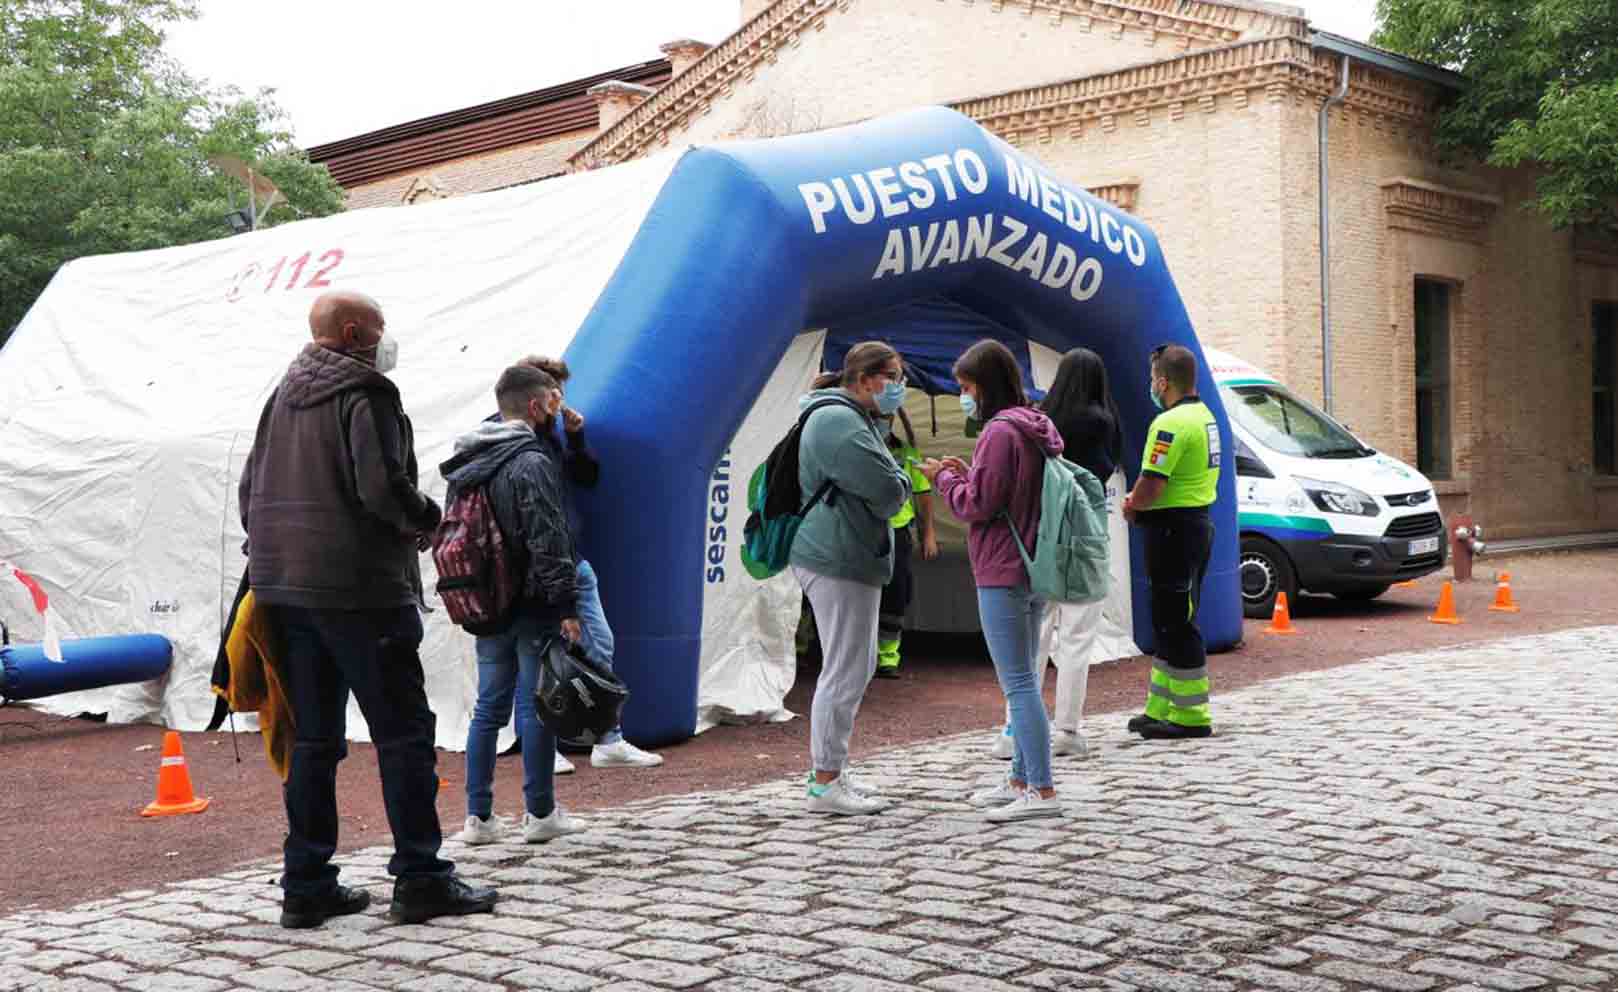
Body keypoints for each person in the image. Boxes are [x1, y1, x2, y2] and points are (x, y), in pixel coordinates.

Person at [239, 290, 496, 928]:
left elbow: (250, 490)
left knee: (314, 741)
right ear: (354, 332)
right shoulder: (367, 392)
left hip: (286, 591)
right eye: (380, 329)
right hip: (360, 590)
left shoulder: (282, 395)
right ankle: (421, 877)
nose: (386, 341)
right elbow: (380, 486)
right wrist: (428, 520)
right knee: (404, 736)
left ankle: (306, 885)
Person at [443, 364, 591, 847]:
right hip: (530, 602)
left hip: (483, 600)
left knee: (488, 707)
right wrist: (566, 605)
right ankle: (540, 812)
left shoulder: (466, 459)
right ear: (534, 405)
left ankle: (478, 817)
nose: (557, 406)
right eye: (552, 398)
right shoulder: (531, 461)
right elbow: (549, 539)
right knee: (536, 705)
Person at [922, 339, 1065, 822]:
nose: (964, 397)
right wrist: (969, 474)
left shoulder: (998, 433)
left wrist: (943, 480)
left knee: (1018, 684)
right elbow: (999, 489)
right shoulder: (1032, 426)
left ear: (984, 386)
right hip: (1033, 564)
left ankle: (1040, 790)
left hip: (1002, 567)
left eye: (966, 388)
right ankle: (1020, 778)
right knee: (1025, 678)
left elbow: (976, 505)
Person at [514, 356, 662, 769]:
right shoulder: (513, 436)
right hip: (537, 566)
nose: (560, 401)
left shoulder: (554, 433)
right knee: (540, 656)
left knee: (599, 644)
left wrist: (576, 437)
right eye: (554, 393)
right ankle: (544, 746)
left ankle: (607, 738)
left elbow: (586, 478)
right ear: (536, 396)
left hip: (572, 559)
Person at [791, 341, 914, 815]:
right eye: (894, 378)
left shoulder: (846, 417)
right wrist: (900, 480)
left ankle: (833, 770)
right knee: (845, 668)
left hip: (845, 551)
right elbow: (887, 491)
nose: (899, 389)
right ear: (865, 380)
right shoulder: (838, 422)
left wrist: (894, 478)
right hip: (837, 553)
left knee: (854, 665)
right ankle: (825, 781)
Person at [990, 347, 1121, 760]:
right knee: (1078, 638)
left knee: (1033, 636)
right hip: (1086, 537)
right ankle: (1066, 728)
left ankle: (1016, 726)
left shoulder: (1043, 421)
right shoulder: (1106, 422)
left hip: (1044, 536)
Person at [1122, 343, 1220, 740]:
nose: (1151, 385)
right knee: (1168, 617)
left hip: (1171, 529)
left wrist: (1131, 503)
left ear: (1163, 381)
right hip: (1193, 525)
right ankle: (1160, 706)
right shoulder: (1205, 416)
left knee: (1176, 620)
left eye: (1152, 378)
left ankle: (1192, 716)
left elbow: (1153, 482)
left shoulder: (1170, 424)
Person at [875, 405, 938, 678]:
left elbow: (923, 496)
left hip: (898, 532)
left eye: (886, 417)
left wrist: (929, 534)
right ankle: (862, 656)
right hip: (863, 529)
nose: (883, 421)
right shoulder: (856, 447)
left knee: (897, 594)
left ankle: (888, 658)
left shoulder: (907, 453)